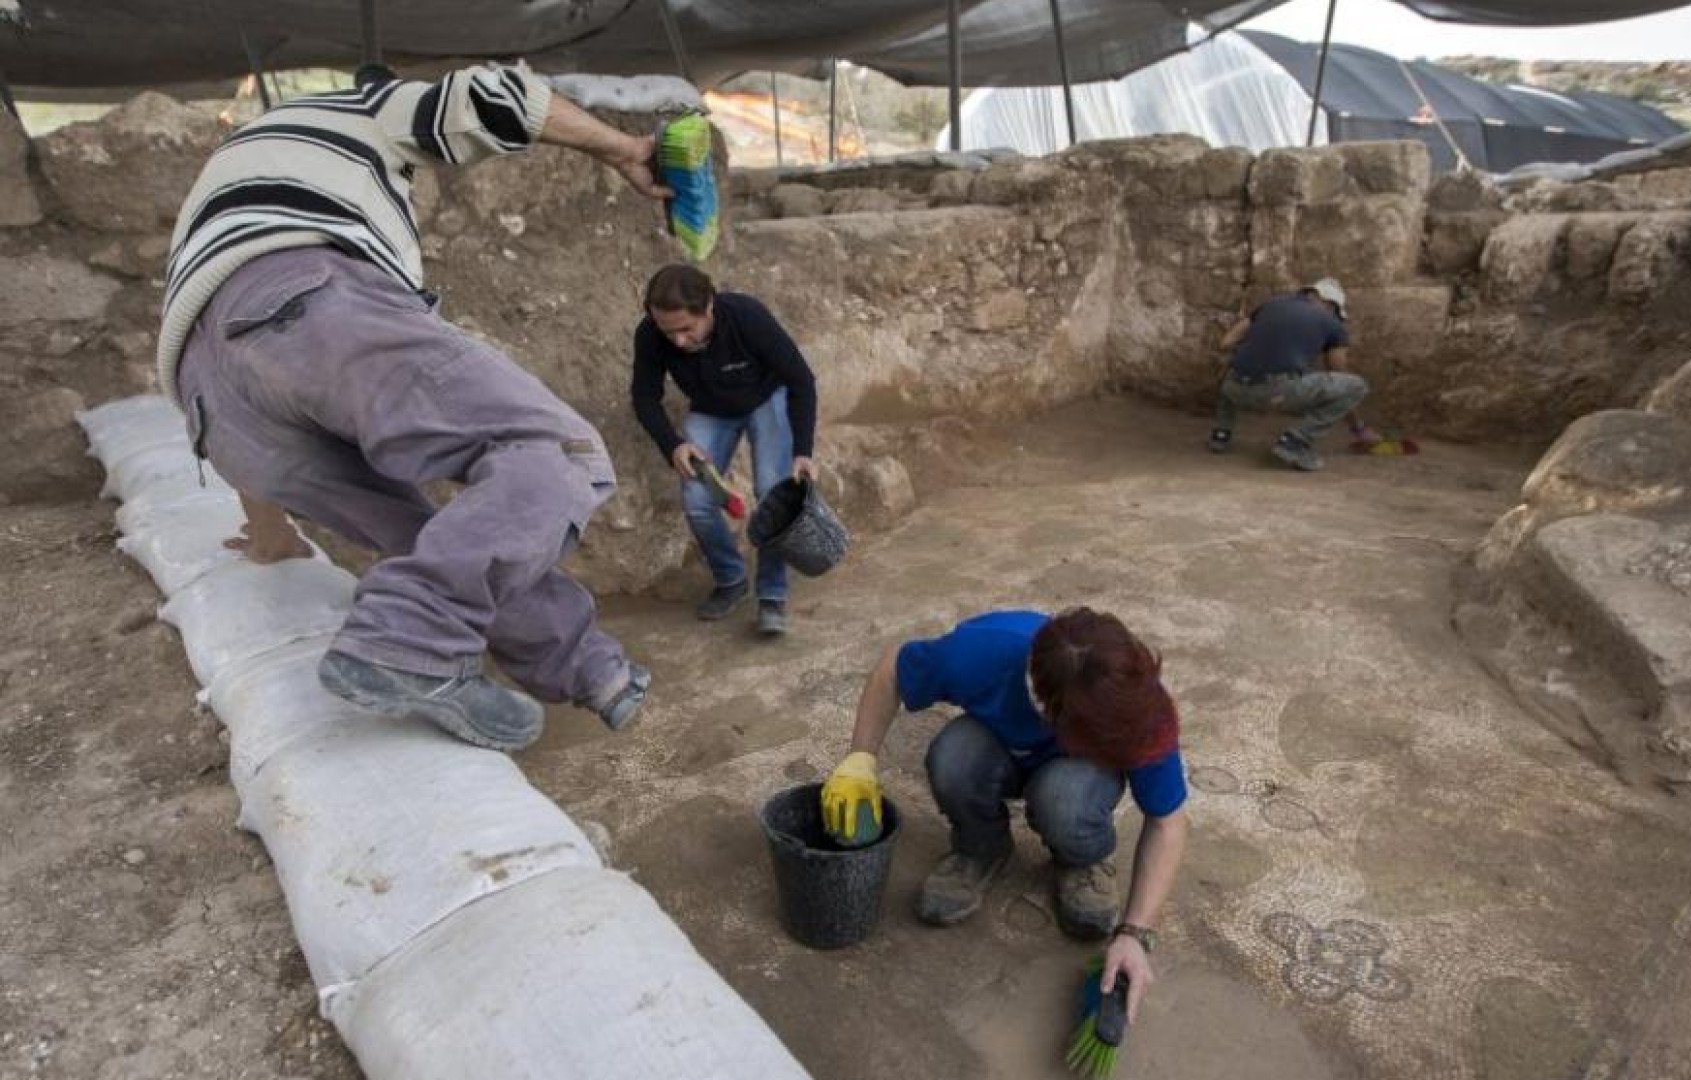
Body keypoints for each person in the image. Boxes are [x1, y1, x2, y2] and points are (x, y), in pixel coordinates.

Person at [161, 62, 670, 753]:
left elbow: (239, 346)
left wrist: (271, 534)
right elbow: (499, 97)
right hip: (301, 300)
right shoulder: (365, 108)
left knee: (431, 533)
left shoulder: (242, 170)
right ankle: (409, 643)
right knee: (556, 452)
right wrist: (625, 150)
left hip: (213, 407)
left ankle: (589, 669)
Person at [821, 608, 1189, 1020]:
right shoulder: (982, 651)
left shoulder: (1138, 705)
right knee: (953, 757)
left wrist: (1135, 934)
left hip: (1074, 780)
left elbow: (1167, 823)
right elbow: (892, 668)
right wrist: (859, 758)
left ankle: (1080, 861)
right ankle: (981, 847)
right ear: (1047, 711)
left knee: (1065, 799)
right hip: (1000, 749)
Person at [630, 265, 820, 638]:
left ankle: (772, 594)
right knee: (697, 498)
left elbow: (801, 380)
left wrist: (803, 451)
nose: (679, 342)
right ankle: (731, 580)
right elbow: (644, 396)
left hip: (766, 398)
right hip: (711, 410)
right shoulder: (652, 334)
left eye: (686, 329)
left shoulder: (746, 317)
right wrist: (674, 445)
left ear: (709, 307)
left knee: (773, 491)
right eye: (670, 332)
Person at [1206, 277, 1368, 472]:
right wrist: (1358, 428)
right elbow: (1339, 374)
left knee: (1234, 369)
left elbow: (1226, 342)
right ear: (1328, 303)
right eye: (1335, 311)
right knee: (1356, 385)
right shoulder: (1332, 324)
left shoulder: (1270, 305)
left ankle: (1221, 435)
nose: (1333, 315)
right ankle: (1295, 442)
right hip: (1276, 394)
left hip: (1234, 390)